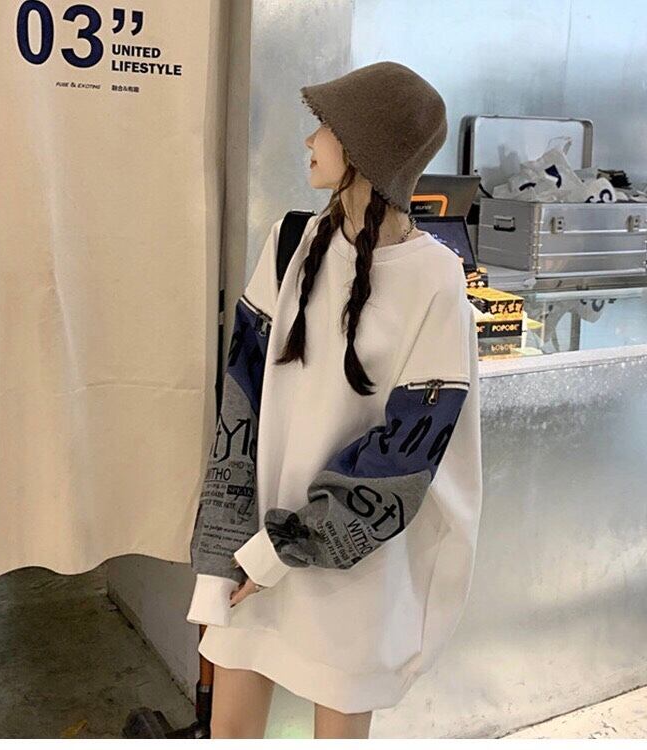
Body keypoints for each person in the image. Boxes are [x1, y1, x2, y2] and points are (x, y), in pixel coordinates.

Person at [186, 60, 483, 739]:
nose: (310, 139)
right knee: (229, 733)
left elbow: (405, 455)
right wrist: (225, 543)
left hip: (351, 567)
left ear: (364, 147)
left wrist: (283, 548)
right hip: (254, 546)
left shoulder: (435, 279)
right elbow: (241, 401)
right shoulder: (290, 242)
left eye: (325, 125)